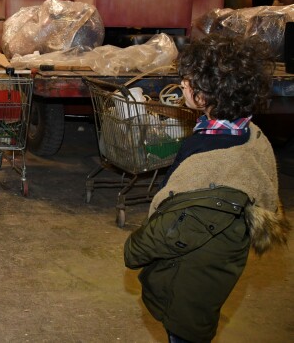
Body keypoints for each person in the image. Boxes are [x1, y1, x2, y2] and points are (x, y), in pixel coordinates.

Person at [124, 34, 290, 342]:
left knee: (185, 331)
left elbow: (174, 228)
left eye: (187, 81)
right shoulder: (251, 134)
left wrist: (134, 249)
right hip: (220, 262)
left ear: (203, 97)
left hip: (192, 272)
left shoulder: (210, 160)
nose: (183, 85)